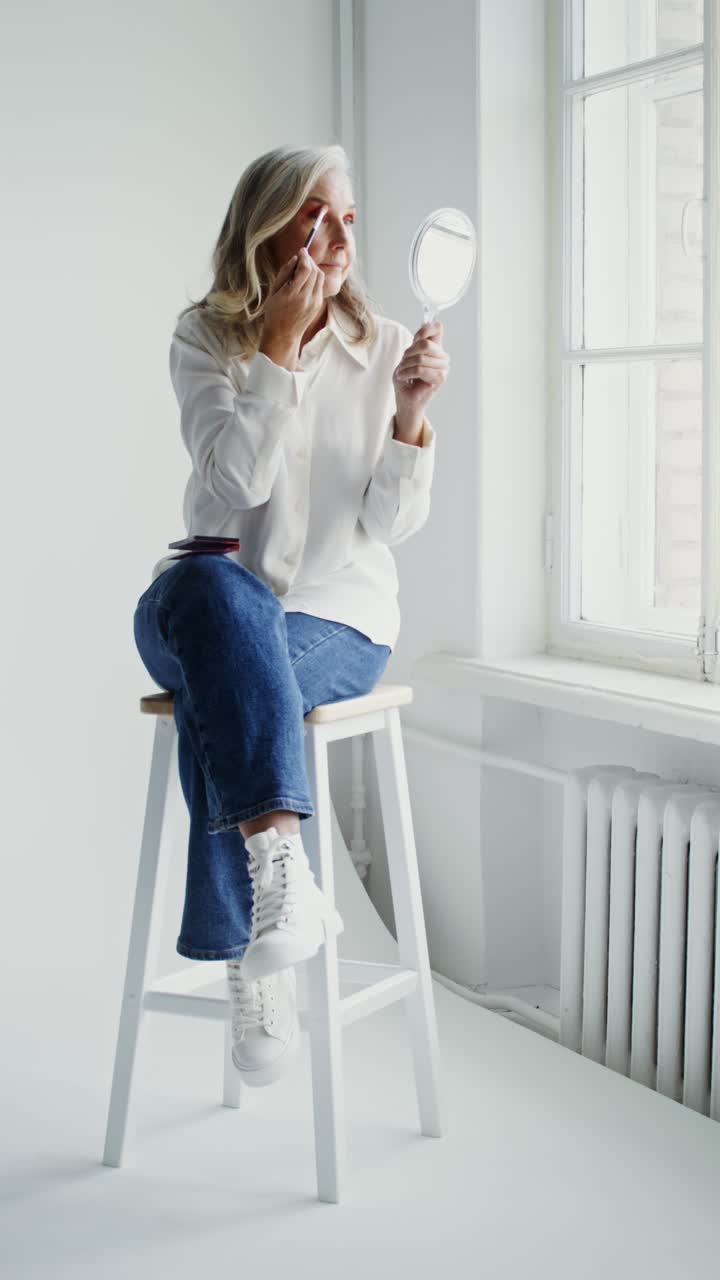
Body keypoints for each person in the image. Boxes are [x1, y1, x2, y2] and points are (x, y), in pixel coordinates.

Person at [132, 143, 450, 1087]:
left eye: (349, 218)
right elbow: (227, 492)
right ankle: (287, 876)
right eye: (318, 216)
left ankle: (253, 954)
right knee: (208, 587)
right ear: (270, 224)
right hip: (213, 603)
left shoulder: (386, 345)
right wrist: (273, 352)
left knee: (221, 698)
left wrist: (411, 418)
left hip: (341, 621)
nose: (339, 237)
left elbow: (390, 526)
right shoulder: (205, 340)